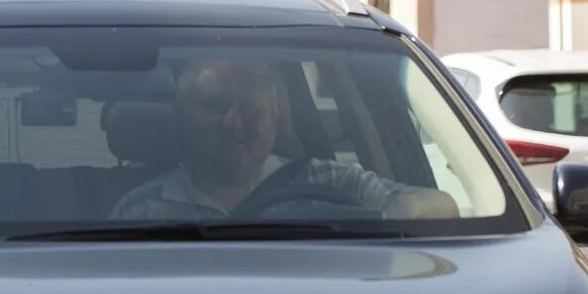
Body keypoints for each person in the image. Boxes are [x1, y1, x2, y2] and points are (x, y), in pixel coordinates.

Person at [110, 57, 456, 223]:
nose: (234, 122)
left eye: (250, 109)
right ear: (182, 116)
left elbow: (440, 207)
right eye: (215, 107)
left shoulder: (330, 182)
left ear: (277, 116)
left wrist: (375, 222)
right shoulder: (142, 210)